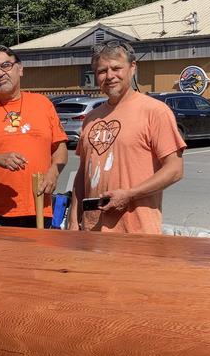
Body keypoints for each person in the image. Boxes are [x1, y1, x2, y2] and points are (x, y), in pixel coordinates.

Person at [69, 40, 185, 234]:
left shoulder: (155, 112)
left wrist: (130, 195)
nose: (110, 76)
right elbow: (82, 175)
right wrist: (74, 219)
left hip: (136, 232)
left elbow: (175, 170)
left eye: (116, 68)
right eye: (102, 71)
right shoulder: (91, 118)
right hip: (91, 232)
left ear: (132, 68)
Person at [0, 45, 68, 227]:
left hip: (40, 208)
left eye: (5, 66)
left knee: (40, 257)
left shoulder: (42, 104)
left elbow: (60, 148)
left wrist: (54, 172)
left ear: (20, 68)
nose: (0, 73)